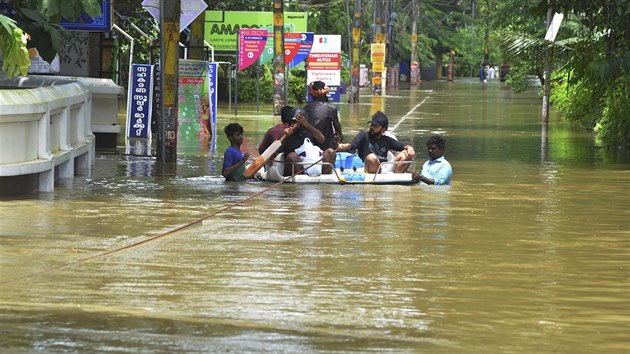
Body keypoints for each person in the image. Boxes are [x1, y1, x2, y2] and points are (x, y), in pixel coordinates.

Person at [337, 111, 415, 174]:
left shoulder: (387, 140)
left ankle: (397, 180)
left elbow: (401, 145)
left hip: (384, 168)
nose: (372, 127)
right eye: (372, 124)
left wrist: (409, 148)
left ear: (383, 129)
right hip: (369, 166)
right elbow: (354, 143)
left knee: (405, 153)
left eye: (375, 126)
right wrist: (346, 146)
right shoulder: (364, 135)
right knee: (372, 157)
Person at [303, 80, 342, 173]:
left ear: (311, 94)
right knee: (332, 149)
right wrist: (340, 139)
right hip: (325, 148)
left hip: (308, 148)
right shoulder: (331, 108)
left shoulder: (306, 108)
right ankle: (325, 174)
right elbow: (338, 128)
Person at [281, 108, 331, 176]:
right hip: (298, 167)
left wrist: (306, 124)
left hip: (314, 163)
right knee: (292, 156)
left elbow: (321, 139)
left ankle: (324, 178)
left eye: (296, 122)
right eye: (292, 122)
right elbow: (279, 148)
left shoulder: (311, 132)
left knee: (331, 152)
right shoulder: (287, 134)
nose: (294, 124)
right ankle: (301, 180)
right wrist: (286, 136)